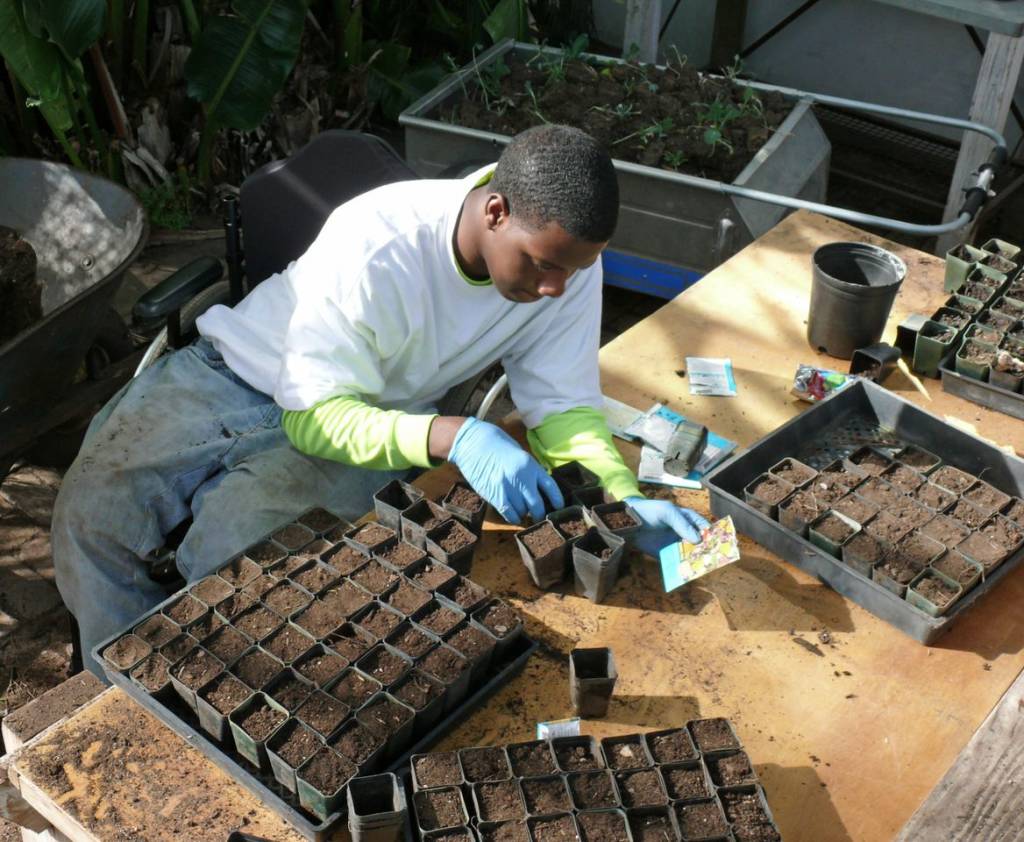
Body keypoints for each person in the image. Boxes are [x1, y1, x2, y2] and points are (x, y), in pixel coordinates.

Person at [52, 124, 709, 677]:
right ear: (495, 210)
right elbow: (314, 419)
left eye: (575, 269)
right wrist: (457, 437)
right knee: (90, 518)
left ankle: (199, 701)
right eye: (542, 265)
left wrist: (622, 497)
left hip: (374, 415)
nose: (557, 290)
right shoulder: (380, 242)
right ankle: (123, 694)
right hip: (242, 374)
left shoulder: (565, 268)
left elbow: (564, 408)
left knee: (228, 559)